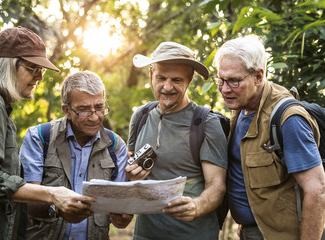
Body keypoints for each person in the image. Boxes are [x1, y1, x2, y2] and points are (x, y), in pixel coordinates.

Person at [0, 26, 93, 240]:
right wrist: (53, 194)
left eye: (41, 70)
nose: (40, 77)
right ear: (8, 65)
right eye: (34, 68)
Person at [213, 35, 325, 240]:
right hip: (248, 232)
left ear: (258, 76)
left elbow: (317, 190)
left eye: (234, 81)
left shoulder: (288, 120)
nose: (225, 89)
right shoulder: (241, 107)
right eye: (221, 79)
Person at [126, 42, 228, 239]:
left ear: (190, 79)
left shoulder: (206, 123)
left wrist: (197, 206)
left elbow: (216, 185)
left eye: (177, 80)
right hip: (145, 234)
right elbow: (129, 172)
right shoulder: (140, 116)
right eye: (161, 78)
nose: (167, 87)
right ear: (151, 74)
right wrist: (129, 176)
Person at [19, 70, 133, 240]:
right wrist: (57, 210)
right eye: (84, 109)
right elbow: (26, 201)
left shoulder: (115, 146)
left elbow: (119, 210)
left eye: (100, 107)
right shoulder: (40, 137)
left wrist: (122, 217)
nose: (94, 117)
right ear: (66, 110)